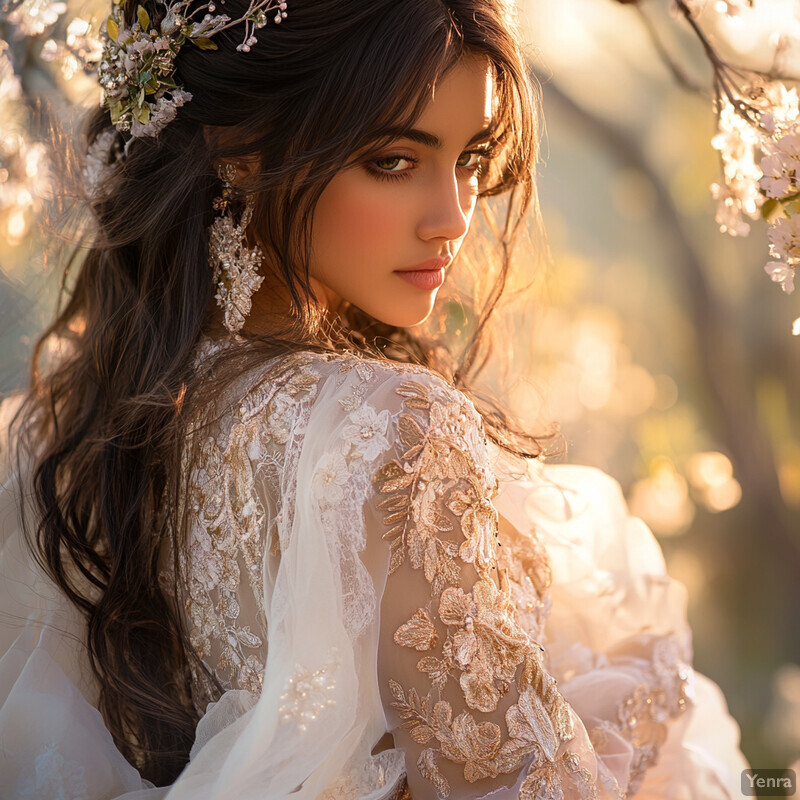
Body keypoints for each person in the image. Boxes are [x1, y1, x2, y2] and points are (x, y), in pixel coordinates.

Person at [0, 0, 750, 797]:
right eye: (394, 160)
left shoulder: (89, 415)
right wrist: (633, 718)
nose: (453, 218)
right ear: (240, 150)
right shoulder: (395, 430)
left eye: (473, 157)